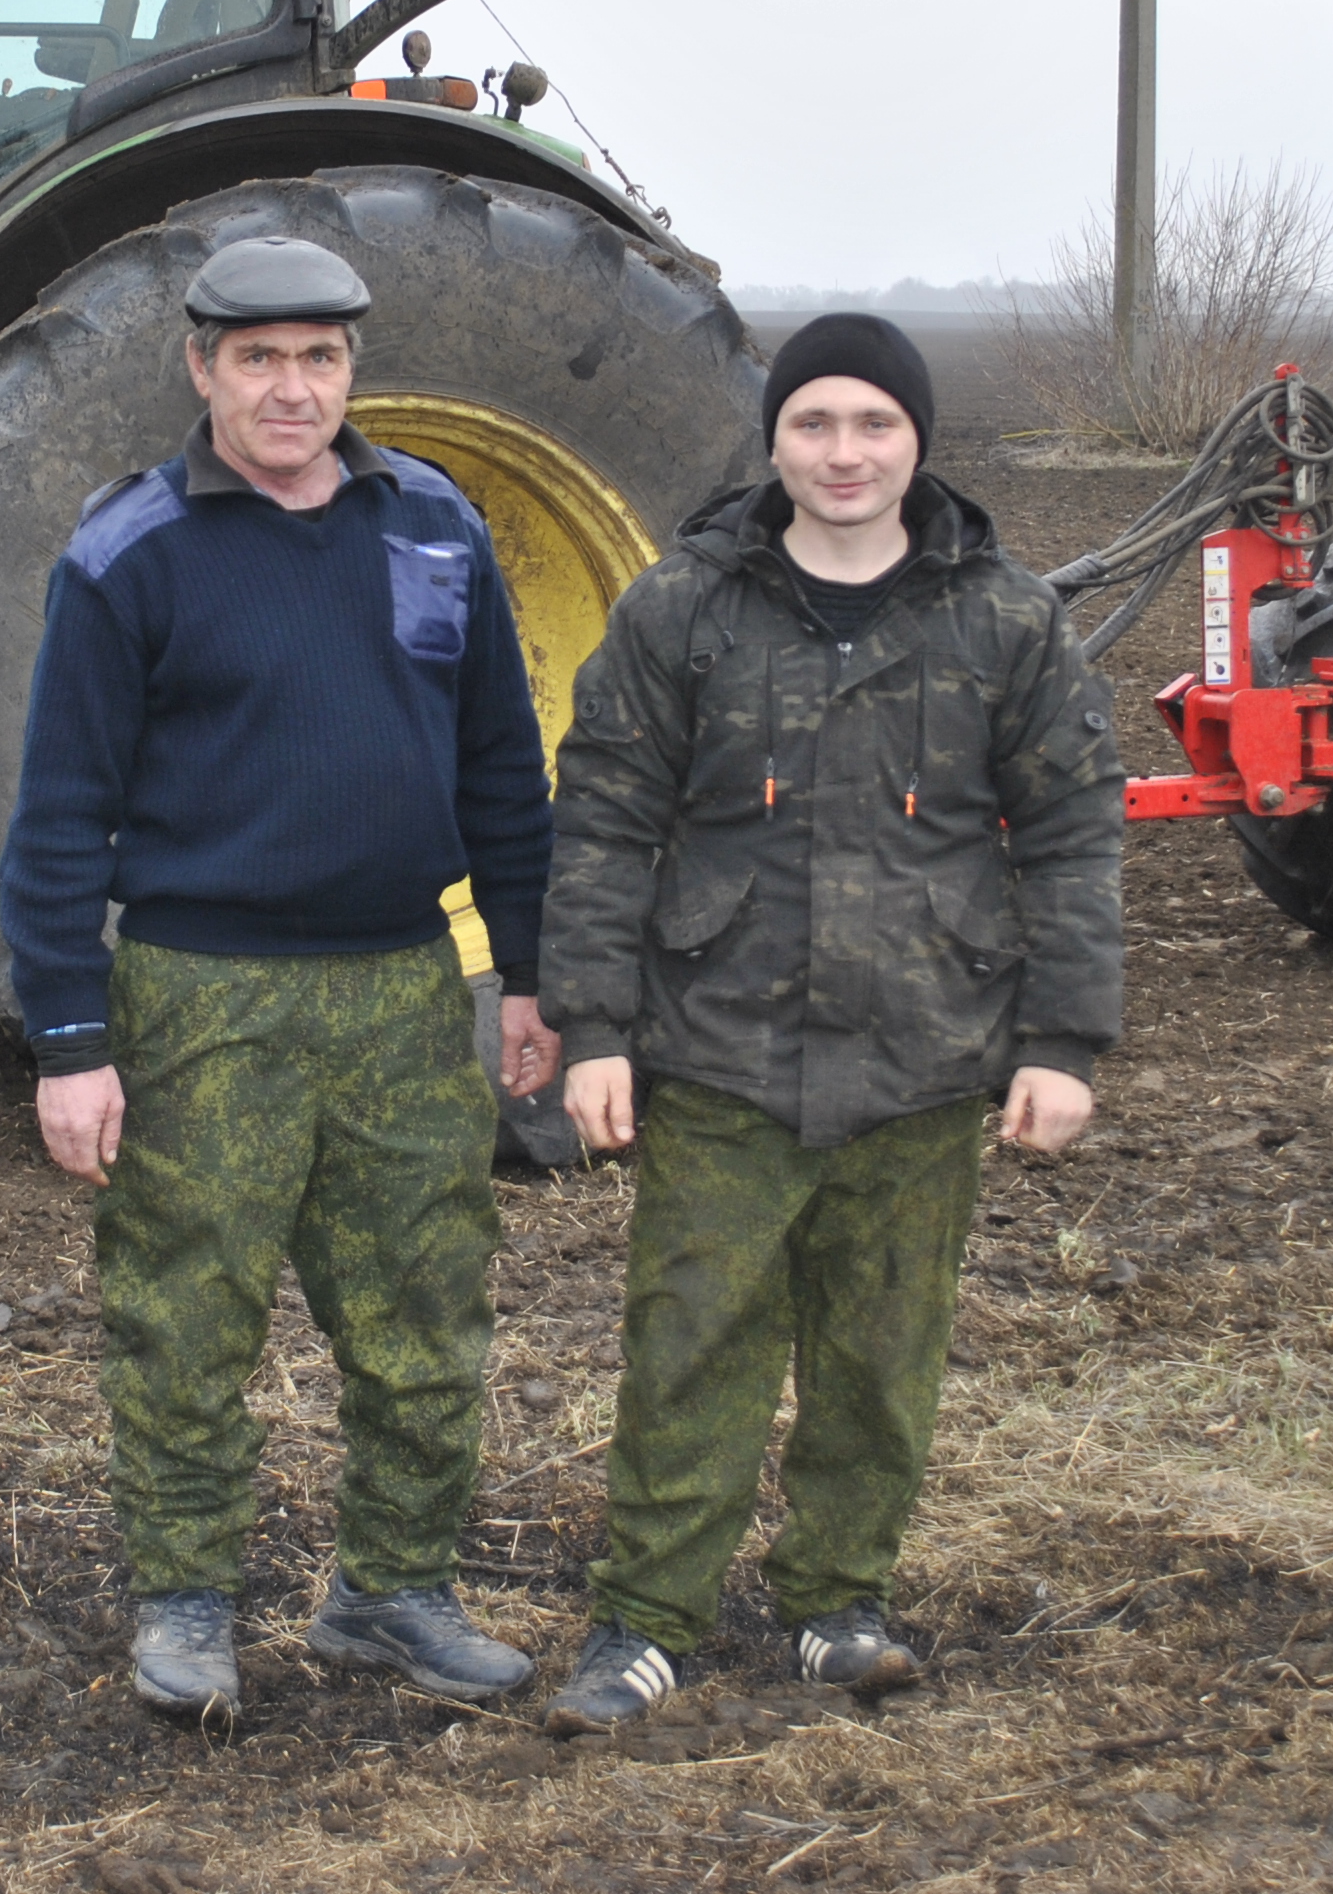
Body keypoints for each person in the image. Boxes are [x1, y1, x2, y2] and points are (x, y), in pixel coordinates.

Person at [0, 232, 564, 1720]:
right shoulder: (132, 554)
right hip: (206, 996)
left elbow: (505, 768)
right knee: (187, 1318)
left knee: (425, 1315)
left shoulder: (433, 525)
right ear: (201, 368)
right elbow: (58, 813)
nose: (291, 389)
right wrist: (70, 1040)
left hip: (399, 988)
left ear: (351, 370)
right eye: (259, 359)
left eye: (319, 357)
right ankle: (187, 1606)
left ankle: (394, 1593)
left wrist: (526, 975)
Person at [532, 312, 1124, 1733]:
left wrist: (1062, 1043)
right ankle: (646, 1622)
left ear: (917, 441)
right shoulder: (685, 608)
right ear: (776, 440)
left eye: (873, 425)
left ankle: (837, 1604)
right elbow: (606, 822)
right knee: (692, 1342)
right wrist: (596, 1026)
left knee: (880, 1352)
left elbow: (1072, 837)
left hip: (926, 1055)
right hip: (720, 1047)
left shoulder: (1004, 617)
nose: (844, 453)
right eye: (815, 424)